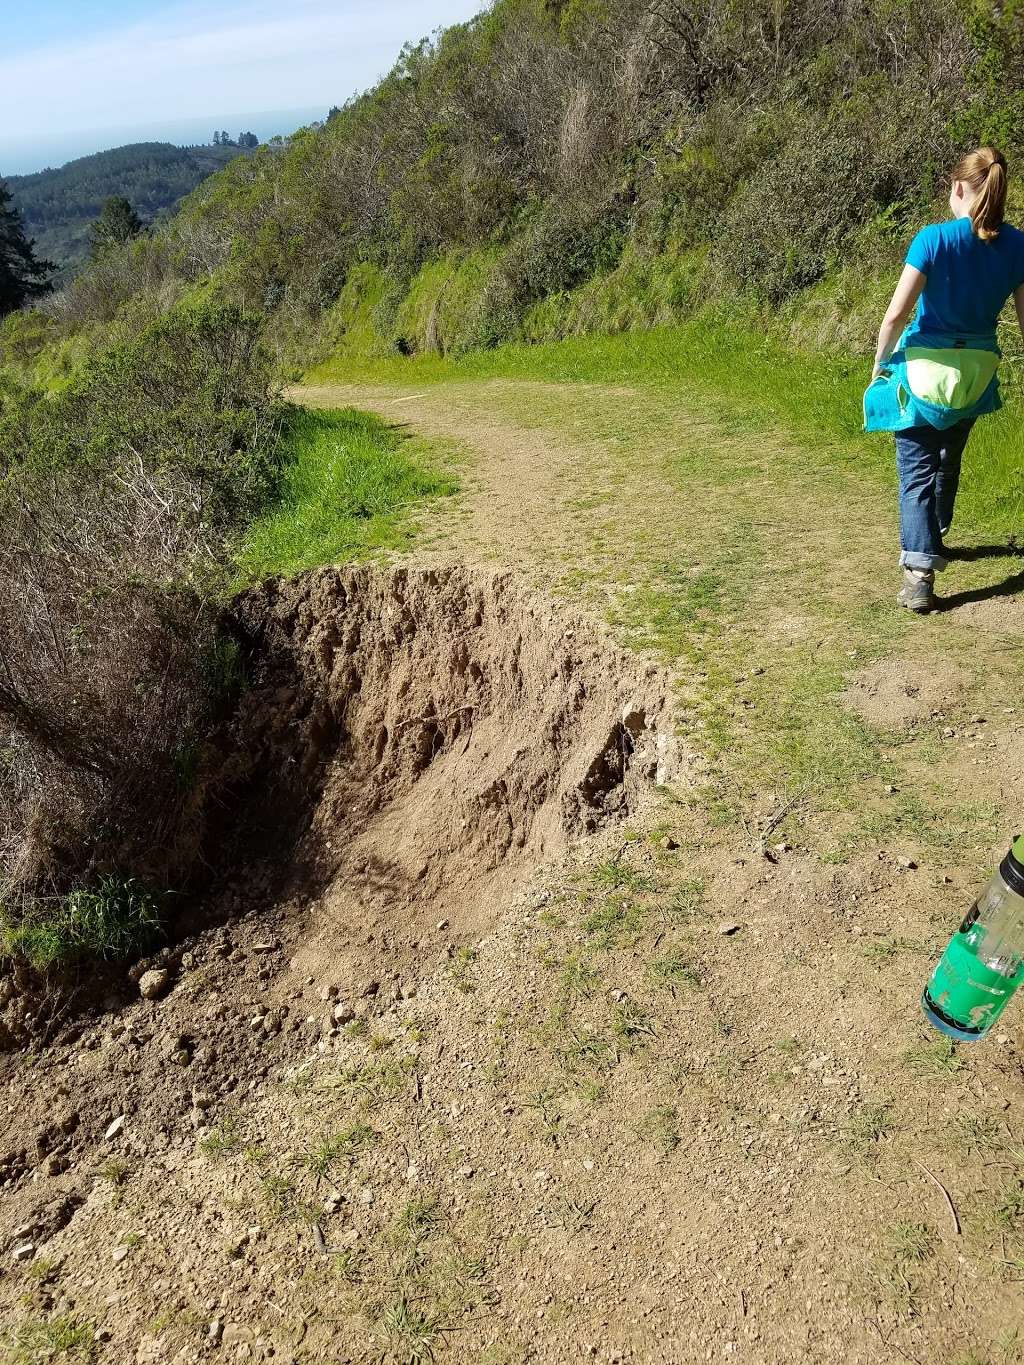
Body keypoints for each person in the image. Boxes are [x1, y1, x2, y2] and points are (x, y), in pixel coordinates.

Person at [865, 146, 1024, 612]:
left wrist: (879, 364)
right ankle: (938, 533)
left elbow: (895, 316)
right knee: (947, 458)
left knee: (915, 468)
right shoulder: (1018, 246)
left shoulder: (932, 240)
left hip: (923, 373)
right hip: (974, 376)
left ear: (958, 188)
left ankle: (920, 574)